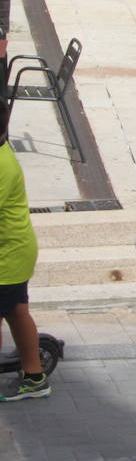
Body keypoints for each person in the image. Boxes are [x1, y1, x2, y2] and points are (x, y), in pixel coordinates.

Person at [0, 117, 46, 404]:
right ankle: (34, 376)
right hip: (15, 250)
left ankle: (34, 377)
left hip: (8, 256)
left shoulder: (2, 166)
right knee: (17, 311)